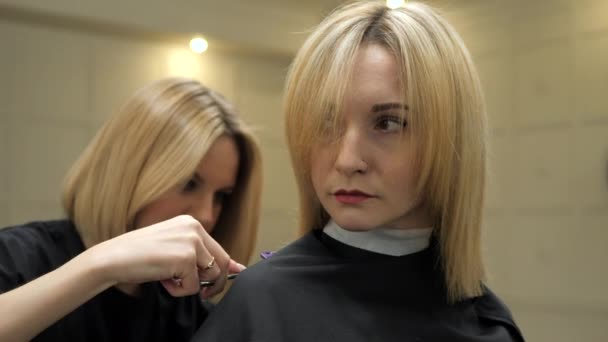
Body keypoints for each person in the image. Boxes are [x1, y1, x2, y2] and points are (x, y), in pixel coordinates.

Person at [192, 2, 525, 341]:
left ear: (451, 137)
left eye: (388, 122)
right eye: (326, 121)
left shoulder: (489, 326)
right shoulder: (261, 304)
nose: (347, 160)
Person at [0, 77, 262, 341]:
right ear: (130, 171)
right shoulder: (18, 258)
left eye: (221, 196)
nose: (207, 215)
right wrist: (103, 268)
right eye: (189, 183)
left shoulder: (189, 314)